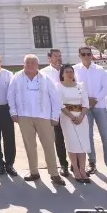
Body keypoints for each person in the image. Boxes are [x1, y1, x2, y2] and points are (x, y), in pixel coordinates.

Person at [8, 54, 67, 185]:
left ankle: (54, 173)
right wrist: (13, 112)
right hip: (24, 116)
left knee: (49, 145)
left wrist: (54, 116)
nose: (30, 64)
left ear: (37, 65)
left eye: (33, 62)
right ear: (23, 64)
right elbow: (10, 95)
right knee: (30, 146)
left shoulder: (45, 78)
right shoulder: (17, 77)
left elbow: (55, 98)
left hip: (44, 116)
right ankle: (34, 172)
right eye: (27, 62)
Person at [74, 46, 107, 173]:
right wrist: (86, 101)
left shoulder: (100, 70)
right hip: (84, 108)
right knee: (88, 136)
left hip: (99, 106)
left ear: (91, 55)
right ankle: (92, 163)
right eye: (83, 54)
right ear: (80, 55)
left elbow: (106, 87)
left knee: (105, 136)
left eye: (88, 54)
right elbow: (74, 87)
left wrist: (95, 100)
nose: (86, 56)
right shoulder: (75, 69)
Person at [57, 64, 92, 184]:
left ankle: (83, 169)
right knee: (72, 143)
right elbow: (60, 104)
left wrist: (81, 116)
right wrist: (72, 116)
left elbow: (85, 103)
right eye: (67, 72)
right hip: (67, 118)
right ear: (62, 74)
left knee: (82, 144)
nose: (69, 73)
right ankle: (75, 169)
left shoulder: (80, 86)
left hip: (82, 117)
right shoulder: (59, 87)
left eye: (71, 71)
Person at [40, 48, 71, 176]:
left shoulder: (68, 70)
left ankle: (76, 163)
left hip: (70, 110)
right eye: (56, 56)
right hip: (54, 111)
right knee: (59, 139)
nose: (59, 58)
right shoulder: (43, 73)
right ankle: (64, 165)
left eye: (60, 55)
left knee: (72, 138)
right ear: (49, 59)